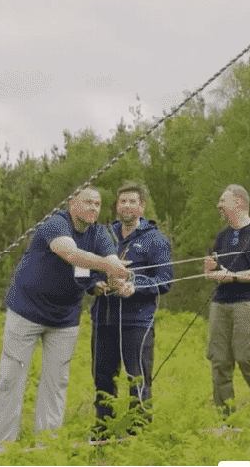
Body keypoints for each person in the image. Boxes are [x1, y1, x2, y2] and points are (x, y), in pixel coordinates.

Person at [0, 187, 128, 454]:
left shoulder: (100, 234)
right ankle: (2, 448)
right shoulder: (55, 223)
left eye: (98, 203)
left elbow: (110, 261)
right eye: (87, 202)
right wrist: (109, 267)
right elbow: (72, 255)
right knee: (11, 378)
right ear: (72, 203)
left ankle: (47, 446)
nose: (93, 208)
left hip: (65, 318)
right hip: (26, 311)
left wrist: (114, 280)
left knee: (57, 382)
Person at [89, 180, 173, 437]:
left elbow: (166, 281)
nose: (126, 205)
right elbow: (87, 272)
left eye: (132, 201)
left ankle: (139, 433)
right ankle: (103, 430)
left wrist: (135, 285)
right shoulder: (102, 236)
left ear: (142, 206)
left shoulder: (155, 240)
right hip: (104, 320)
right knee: (102, 379)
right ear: (116, 206)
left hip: (137, 322)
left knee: (137, 379)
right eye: (122, 201)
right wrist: (96, 285)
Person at [204, 183, 250, 420]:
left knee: (246, 357)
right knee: (219, 361)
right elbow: (212, 270)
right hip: (220, 302)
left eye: (222, 201)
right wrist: (211, 271)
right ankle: (227, 419)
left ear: (239, 202)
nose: (218, 206)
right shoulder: (222, 236)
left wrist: (233, 276)